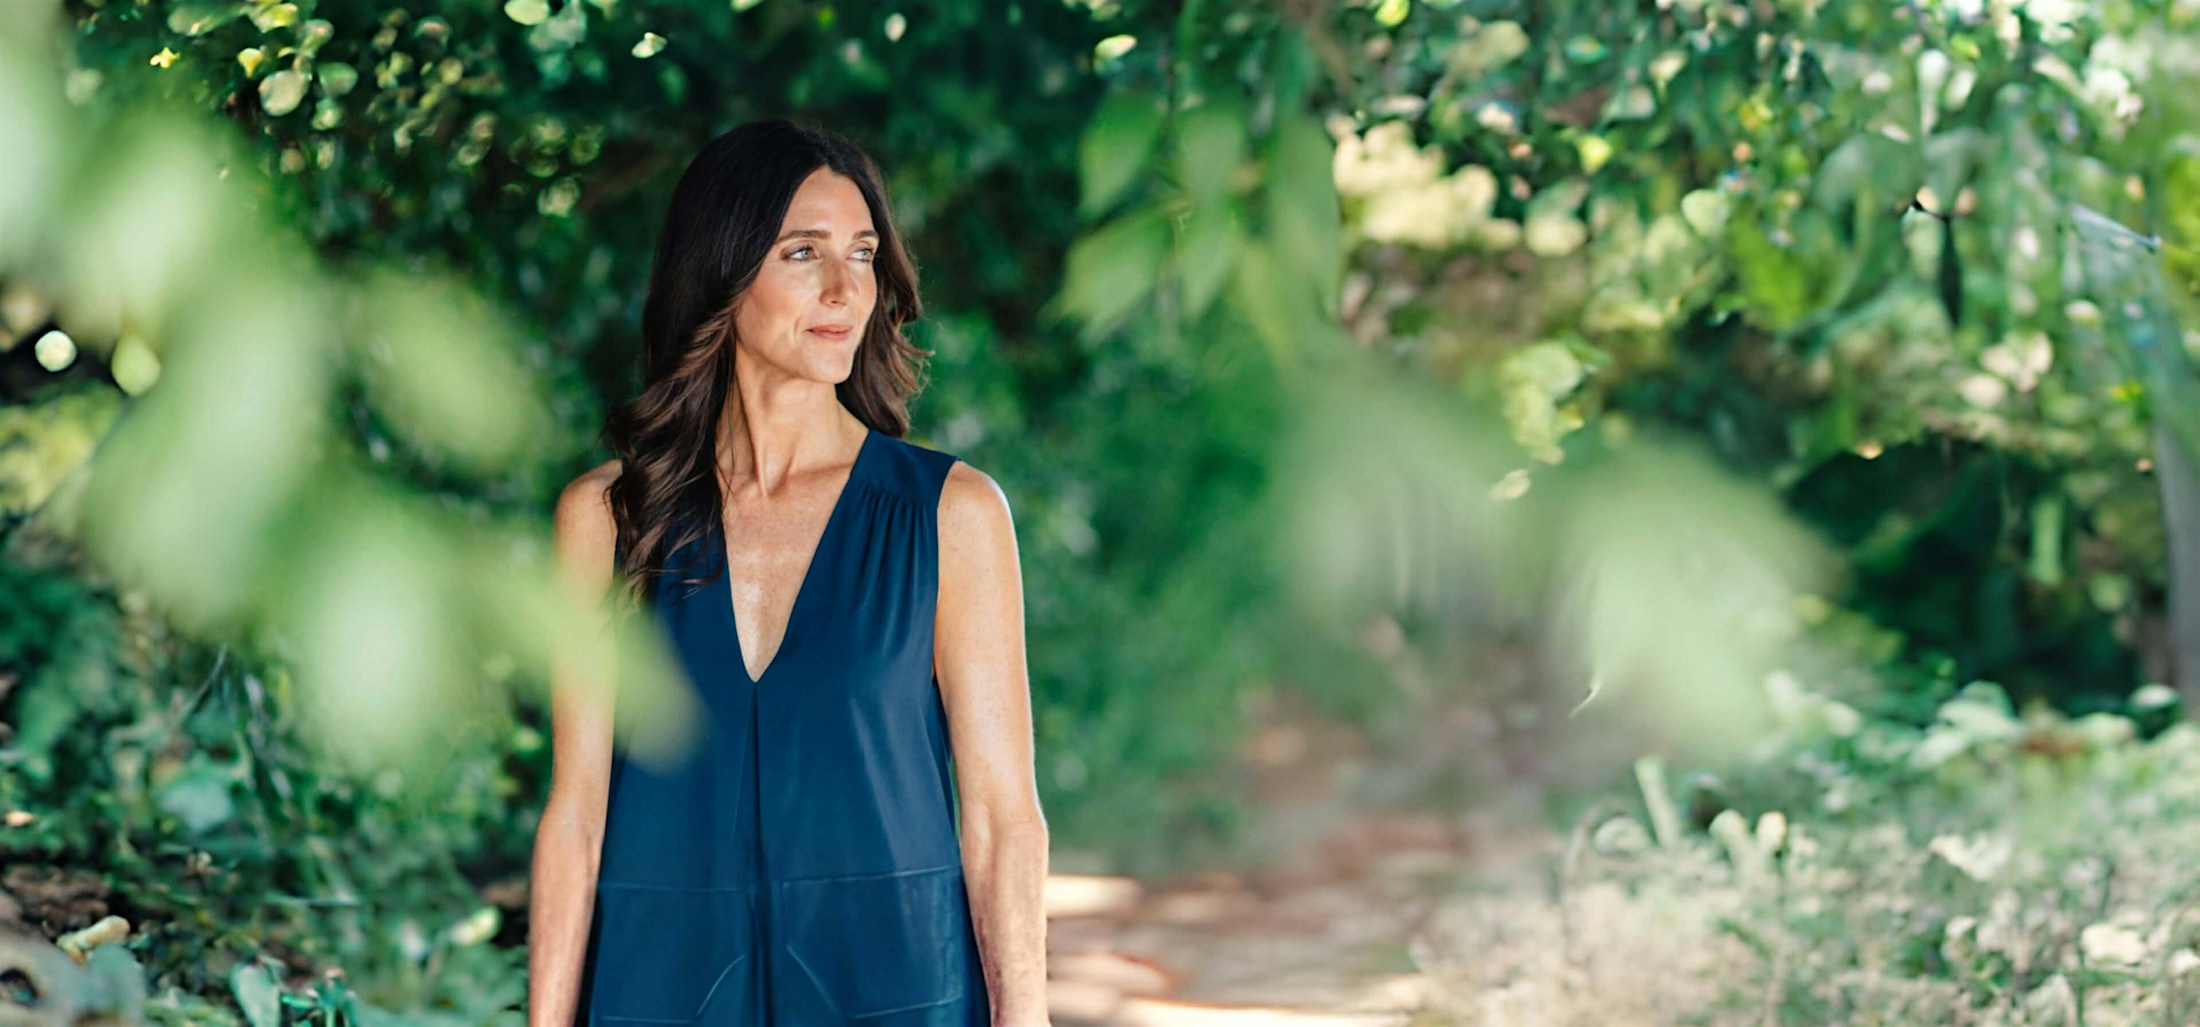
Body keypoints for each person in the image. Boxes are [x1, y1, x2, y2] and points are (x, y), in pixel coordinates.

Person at [526, 119, 1051, 1026]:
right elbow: (576, 816)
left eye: (863, 253)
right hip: (662, 991)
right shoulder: (608, 521)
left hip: (892, 991)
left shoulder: (949, 516)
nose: (848, 288)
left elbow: (1004, 821)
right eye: (803, 253)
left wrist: (1025, 1016)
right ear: (723, 273)